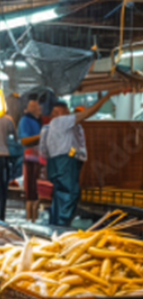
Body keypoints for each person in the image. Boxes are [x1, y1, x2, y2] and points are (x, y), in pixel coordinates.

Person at [41, 91, 120, 226]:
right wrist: (106, 96)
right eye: (65, 109)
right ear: (56, 111)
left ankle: (56, 225)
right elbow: (87, 114)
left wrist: (45, 167)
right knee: (69, 194)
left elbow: (44, 149)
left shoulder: (50, 126)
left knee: (60, 195)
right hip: (64, 162)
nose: (69, 112)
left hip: (57, 162)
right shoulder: (60, 121)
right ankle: (61, 225)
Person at [18, 97, 43, 222]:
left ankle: (34, 219)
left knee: (37, 191)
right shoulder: (25, 120)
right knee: (30, 191)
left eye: (37, 106)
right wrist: (42, 135)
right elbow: (23, 140)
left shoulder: (38, 121)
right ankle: (30, 220)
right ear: (27, 108)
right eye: (32, 106)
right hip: (30, 158)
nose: (36, 108)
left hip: (39, 159)